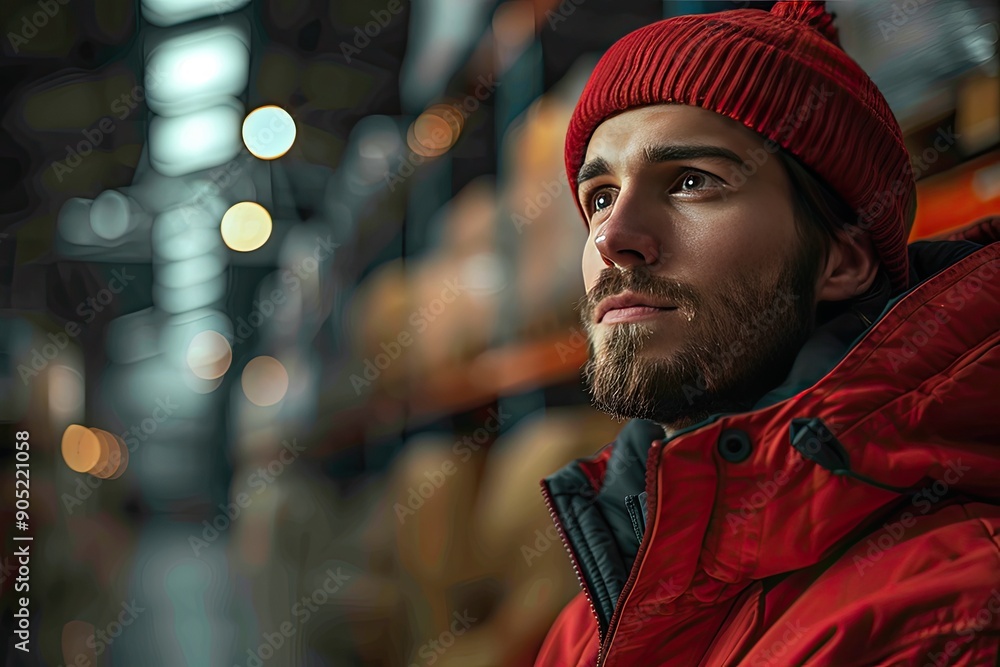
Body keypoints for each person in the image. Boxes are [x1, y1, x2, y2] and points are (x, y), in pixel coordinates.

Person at [534, 2, 1000, 665]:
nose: (611, 237)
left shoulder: (943, 617)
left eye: (692, 181)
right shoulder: (588, 621)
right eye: (601, 196)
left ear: (841, 261)